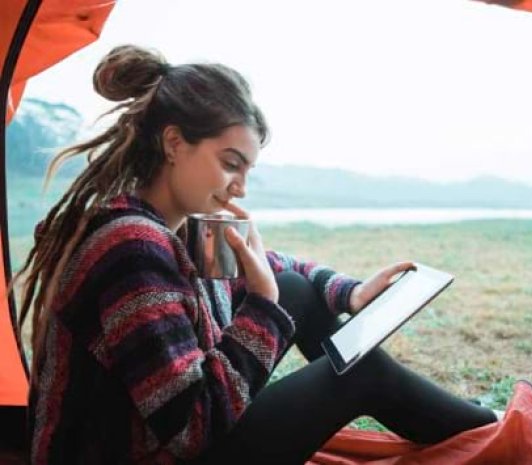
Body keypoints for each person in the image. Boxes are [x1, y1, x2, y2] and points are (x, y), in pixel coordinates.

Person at [13, 44, 498, 465]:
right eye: (230, 164)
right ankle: (490, 432)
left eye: (247, 169)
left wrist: (350, 294)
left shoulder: (180, 232)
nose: (240, 187)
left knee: (293, 289)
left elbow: (281, 271)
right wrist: (262, 306)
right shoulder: (132, 250)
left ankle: (474, 424)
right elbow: (189, 429)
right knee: (358, 373)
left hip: (163, 442)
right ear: (175, 143)